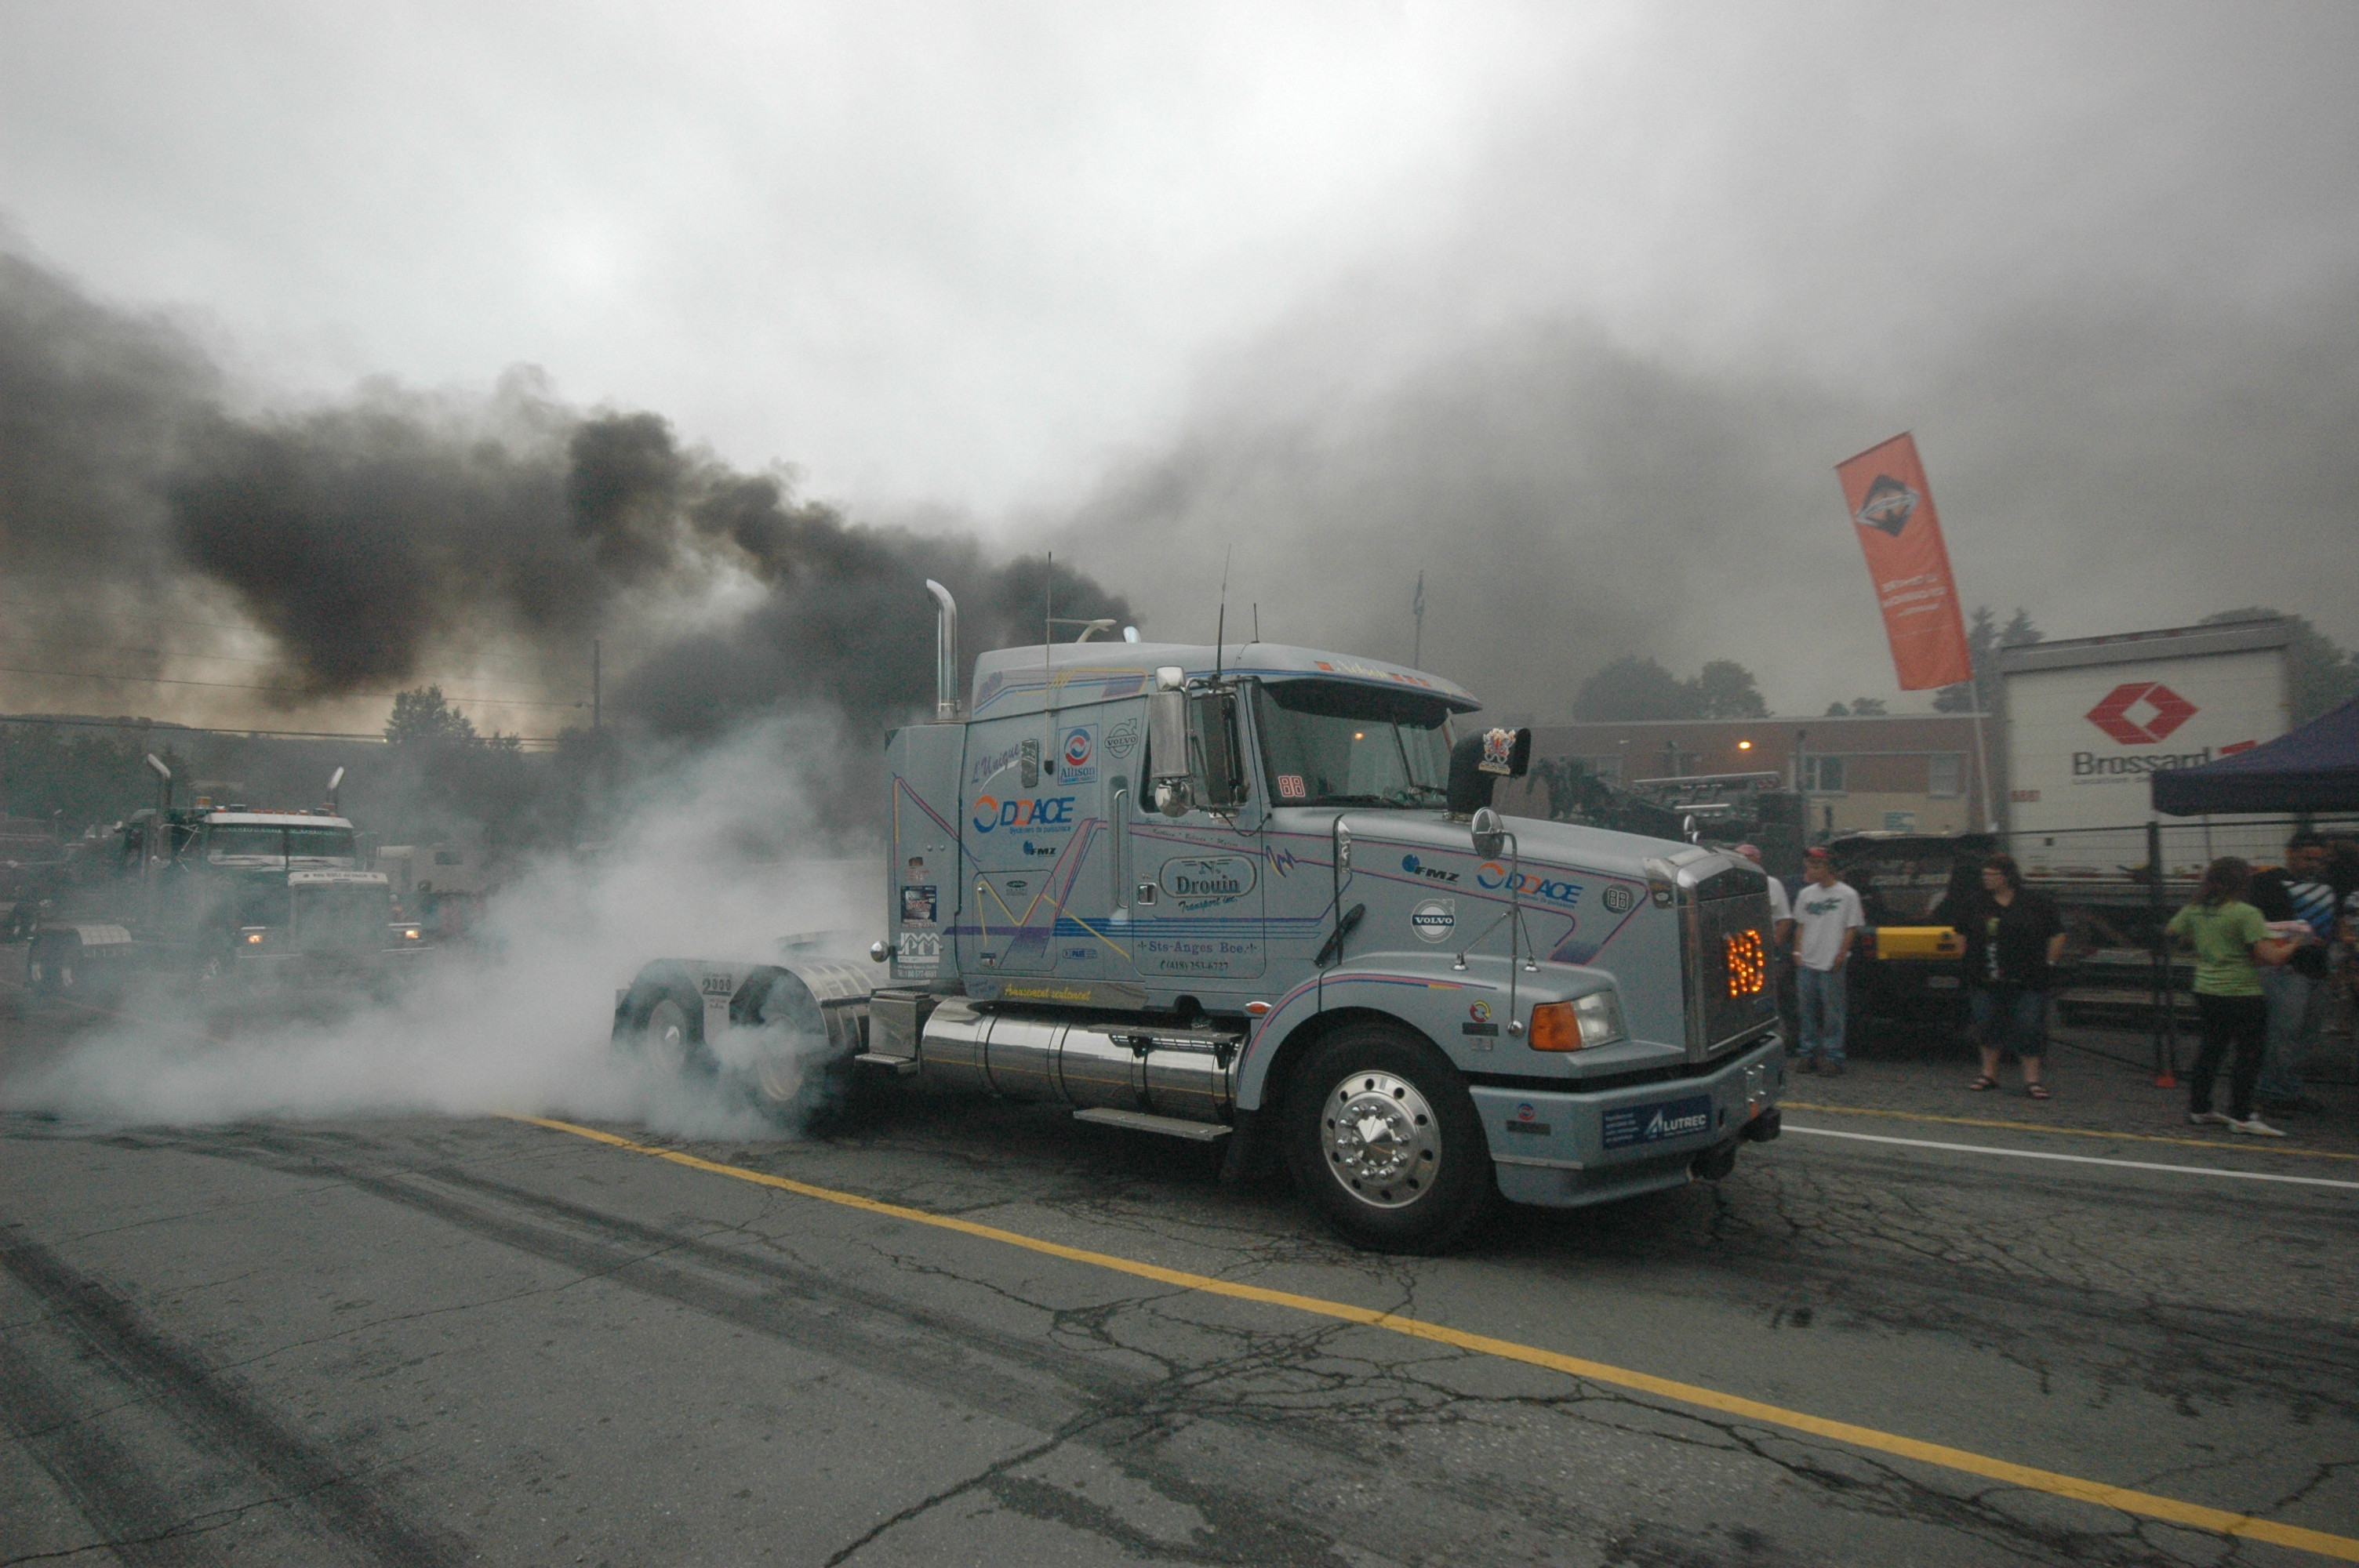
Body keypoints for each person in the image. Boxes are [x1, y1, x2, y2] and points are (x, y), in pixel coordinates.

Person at [2168, 857, 2294, 1137]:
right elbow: (2270, 956)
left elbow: (2173, 932)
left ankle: (2199, 1108)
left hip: (2207, 987)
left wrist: (2204, 941)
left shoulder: (2195, 909)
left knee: (2212, 1048)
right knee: (2248, 1054)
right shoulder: (2246, 913)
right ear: (2242, 882)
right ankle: (2242, 1114)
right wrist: (2297, 943)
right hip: (2242, 990)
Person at [1939, 853, 2065, 1099]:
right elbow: (1960, 931)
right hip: (1985, 976)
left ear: (2007, 876)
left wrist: (2050, 961)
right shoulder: (1976, 903)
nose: (1986, 879)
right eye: (1984, 874)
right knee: (1987, 1023)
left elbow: (2057, 933)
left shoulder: (2035, 903)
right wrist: (1964, 958)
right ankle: (1988, 1074)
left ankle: (2032, 1080)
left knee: (2029, 1026)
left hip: (2028, 977)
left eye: (1992, 874)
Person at [2246, 832, 2335, 1115]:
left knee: (2306, 1035)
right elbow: (2256, 922)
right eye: (2307, 858)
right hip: (2284, 969)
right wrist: (2296, 934)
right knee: (2283, 1032)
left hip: (2318, 968)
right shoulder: (2268, 883)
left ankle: (2288, 1089)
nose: (2313, 864)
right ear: (2290, 853)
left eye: (2318, 859)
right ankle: (2270, 1091)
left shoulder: (2329, 884)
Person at [1788, 846, 1863, 1076]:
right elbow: (1801, 925)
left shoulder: (1847, 895)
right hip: (1807, 961)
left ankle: (1833, 1056)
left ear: (1825, 868)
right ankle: (1808, 1053)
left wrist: (1842, 953)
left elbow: (1851, 928)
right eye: (1808, 866)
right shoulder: (1806, 894)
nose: (1809, 871)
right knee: (1806, 1009)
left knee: (1833, 1011)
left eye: (1813, 866)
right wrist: (1798, 952)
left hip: (1831, 960)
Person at [1736, 844, 1798, 1049]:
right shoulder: (1733, 884)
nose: (1742, 860)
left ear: (1757, 859)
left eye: (1746, 857)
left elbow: (1785, 920)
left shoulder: (1772, 884)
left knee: (1778, 997)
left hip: (1768, 952)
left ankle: (1788, 1040)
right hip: (1742, 953)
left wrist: (1772, 948)